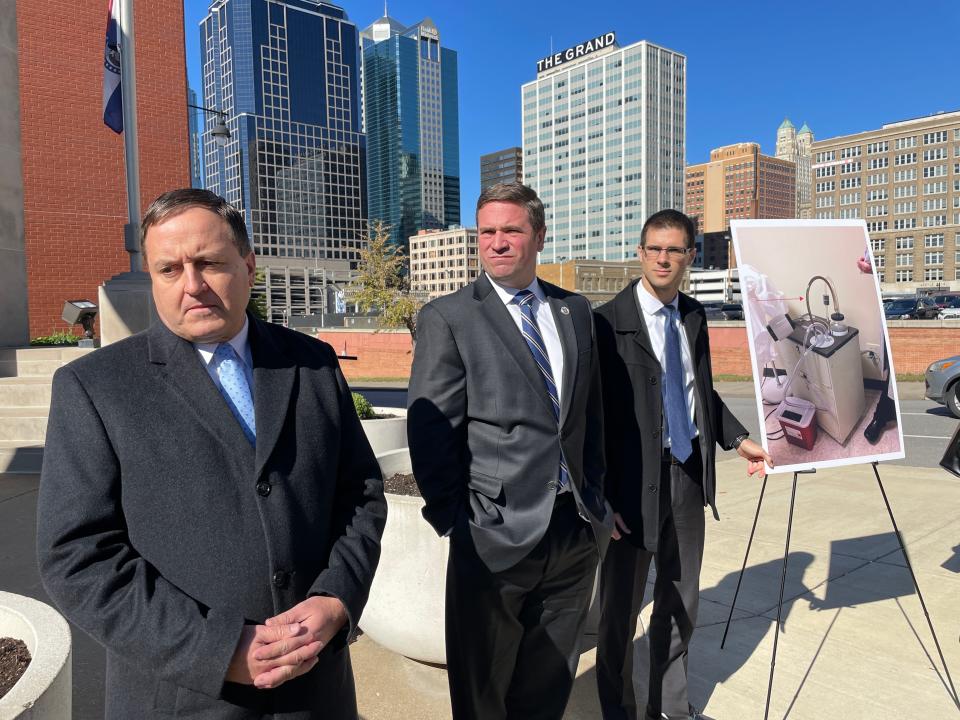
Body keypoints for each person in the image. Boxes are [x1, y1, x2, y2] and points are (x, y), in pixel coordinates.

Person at [36, 188, 387, 719]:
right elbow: (77, 556)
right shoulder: (95, 387)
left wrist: (338, 598)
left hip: (317, 691)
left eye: (209, 263)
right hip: (181, 697)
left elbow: (359, 493)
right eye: (169, 270)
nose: (192, 286)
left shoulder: (312, 364)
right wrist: (216, 649)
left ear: (248, 265)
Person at [407, 182, 612, 720]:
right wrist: (457, 520)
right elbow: (432, 432)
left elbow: (591, 416)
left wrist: (599, 500)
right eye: (487, 232)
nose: (496, 242)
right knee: (482, 692)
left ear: (538, 236)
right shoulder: (449, 317)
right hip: (492, 534)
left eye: (511, 231)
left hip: (574, 531)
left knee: (548, 684)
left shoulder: (575, 311)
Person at [594, 209, 772, 720]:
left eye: (675, 250)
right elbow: (590, 419)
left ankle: (668, 708)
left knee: (681, 603)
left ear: (691, 256)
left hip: (688, 479)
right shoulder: (606, 324)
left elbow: (699, 392)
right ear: (640, 252)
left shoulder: (693, 316)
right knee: (619, 615)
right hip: (630, 491)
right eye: (655, 248)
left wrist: (738, 439)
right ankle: (618, 709)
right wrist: (601, 497)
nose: (664, 259)